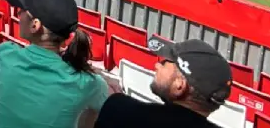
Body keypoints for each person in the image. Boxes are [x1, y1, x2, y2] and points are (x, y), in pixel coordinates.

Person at [0, 0, 109, 128]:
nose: (19, 14)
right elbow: (107, 104)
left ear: (35, 25)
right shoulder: (87, 83)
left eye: (22, 10)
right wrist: (98, 74)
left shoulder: (5, 54)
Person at [94, 39, 232, 128]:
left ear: (179, 86)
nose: (157, 65)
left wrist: (117, 100)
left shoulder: (119, 110)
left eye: (165, 62)